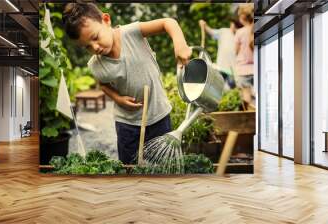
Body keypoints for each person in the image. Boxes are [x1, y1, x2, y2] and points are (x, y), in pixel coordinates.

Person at [62, 3, 191, 164]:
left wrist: (180, 44)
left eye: (95, 37)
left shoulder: (131, 33)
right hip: (127, 124)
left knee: (162, 165)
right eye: (87, 46)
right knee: (129, 166)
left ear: (106, 20)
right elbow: (103, 85)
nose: (95, 47)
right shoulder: (96, 65)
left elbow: (168, 23)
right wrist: (118, 99)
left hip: (159, 115)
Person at [198, 17, 243, 89]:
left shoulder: (240, 35)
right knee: (220, 89)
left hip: (233, 71)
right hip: (221, 67)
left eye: (237, 26)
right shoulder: (224, 32)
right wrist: (204, 25)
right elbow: (211, 32)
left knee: (231, 90)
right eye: (234, 24)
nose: (234, 27)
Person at [234, 4, 254, 103]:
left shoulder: (240, 32)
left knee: (246, 97)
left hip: (243, 69)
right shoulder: (256, 29)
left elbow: (236, 51)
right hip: (256, 69)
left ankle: (249, 118)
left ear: (242, 17)